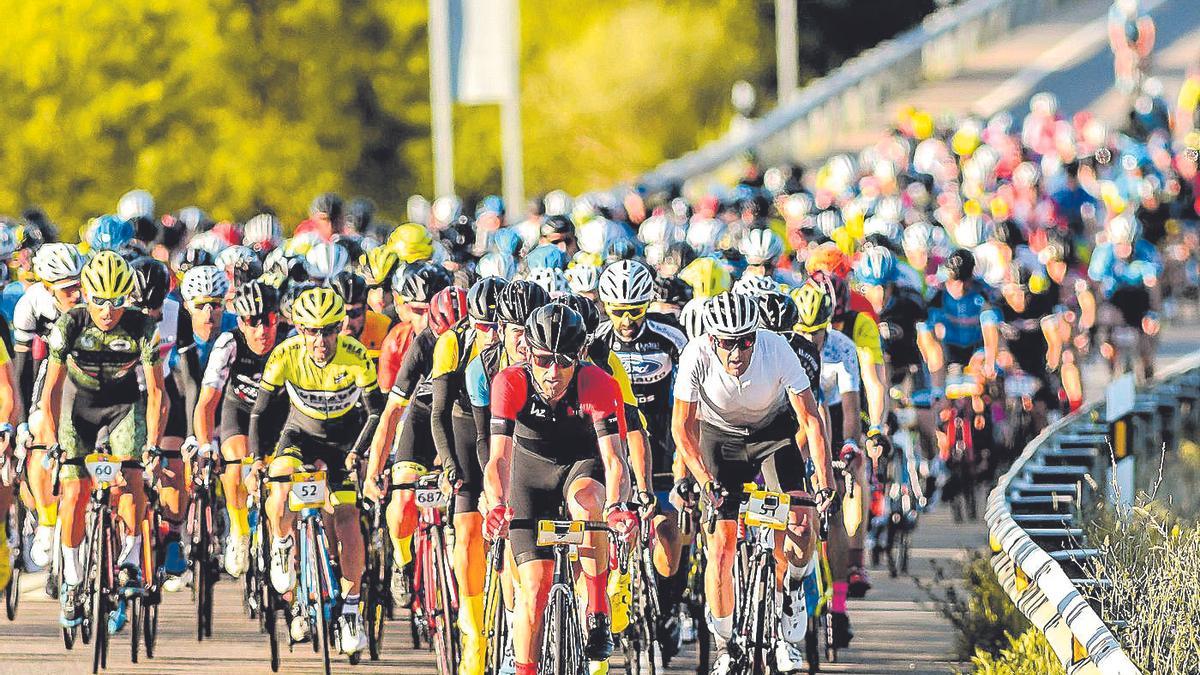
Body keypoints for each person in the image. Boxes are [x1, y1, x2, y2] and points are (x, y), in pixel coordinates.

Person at [671, 291, 834, 674]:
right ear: (712, 339)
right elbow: (682, 428)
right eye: (727, 343)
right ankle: (726, 644)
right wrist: (704, 481)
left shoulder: (776, 348)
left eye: (745, 341)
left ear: (756, 335)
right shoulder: (695, 355)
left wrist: (824, 483)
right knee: (723, 547)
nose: (736, 352)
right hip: (720, 441)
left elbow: (811, 420)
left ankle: (792, 587)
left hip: (772, 436)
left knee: (799, 518)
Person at [482, 303, 636, 674]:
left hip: (579, 468)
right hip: (529, 476)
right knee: (534, 587)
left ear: (580, 355)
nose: (553, 371)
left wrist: (617, 507)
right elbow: (498, 460)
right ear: (528, 352)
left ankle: (597, 607)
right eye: (544, 359)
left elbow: (615, 460)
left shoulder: (598, 382)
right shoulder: (510, 381)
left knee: (588, 504)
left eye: (564, 360)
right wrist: (497, 505)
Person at [248, 287, 383, 655]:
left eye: (328, 331)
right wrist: (256, 459)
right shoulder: (285, 354)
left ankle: (352, 611)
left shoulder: (355, 356)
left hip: (342, 442)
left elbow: (375, 412)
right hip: (299, 435)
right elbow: (259, 413)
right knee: (279, 485)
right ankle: (282, 546)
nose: (320, 340)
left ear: (340, 327)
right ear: (299, 329)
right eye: (310, 331)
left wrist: (358, 452)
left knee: (347, 516)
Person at [41, 252, 165, 631]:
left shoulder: (143, 328)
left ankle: (128, 558)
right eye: (98, 300)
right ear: (86, 296)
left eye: (116, 301)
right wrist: (52, 442)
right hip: (78, 406)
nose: (107, 311)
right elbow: (51, 391)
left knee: (132, 479)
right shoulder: (69, 324)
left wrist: (153, 446)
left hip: (124, 406)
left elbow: (158, 393)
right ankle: (74, 578)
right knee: (75, 491)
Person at [192, 280, 281, 576]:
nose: (261, 331)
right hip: (240, 412)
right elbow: (206, 404)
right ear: (240, 322)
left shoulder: (291, 340)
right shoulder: (228, 343)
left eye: (268, 321)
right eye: (251, 322)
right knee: (235, 459)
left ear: (278, 318)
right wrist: (206, 446)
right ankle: (239, 531)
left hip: (278, 416)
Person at [14, 242, 85, 570]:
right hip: (52, 371)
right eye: (68, 288)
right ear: (47, 287)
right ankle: (45, 521)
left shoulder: (95, 296)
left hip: (95, 369)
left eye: (79, 282)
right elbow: (24, 367)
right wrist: (24, 419)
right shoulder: (30, 306)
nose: (78, 292)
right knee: (41, 430)